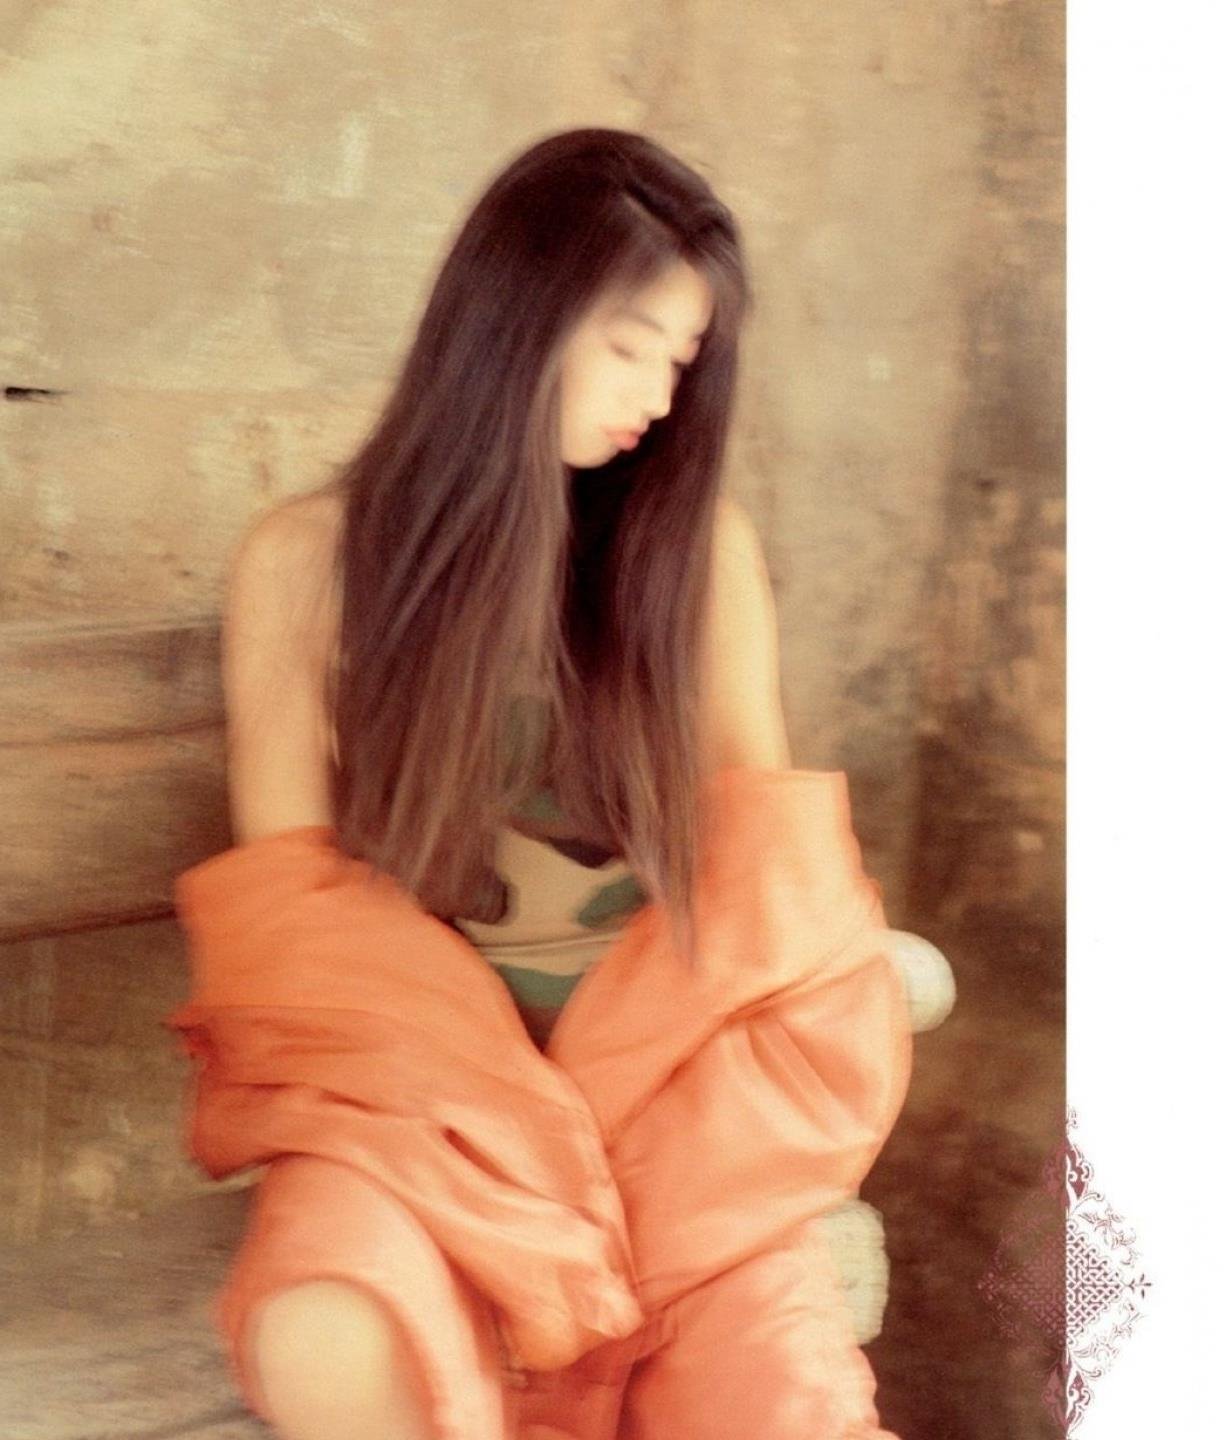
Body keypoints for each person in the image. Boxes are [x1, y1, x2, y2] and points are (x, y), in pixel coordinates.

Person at [169, 128, 911, 1440]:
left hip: (677, 1104)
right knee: (326, 1325)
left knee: (778, 1392)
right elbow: (297, 920)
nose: (659, 397)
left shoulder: (696, 554)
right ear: (513, 320)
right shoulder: (304, 565)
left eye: (681, 361)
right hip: (414, 1106)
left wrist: (600, 1131)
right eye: (629, 346)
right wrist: (508, 1120)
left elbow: (764, 880)